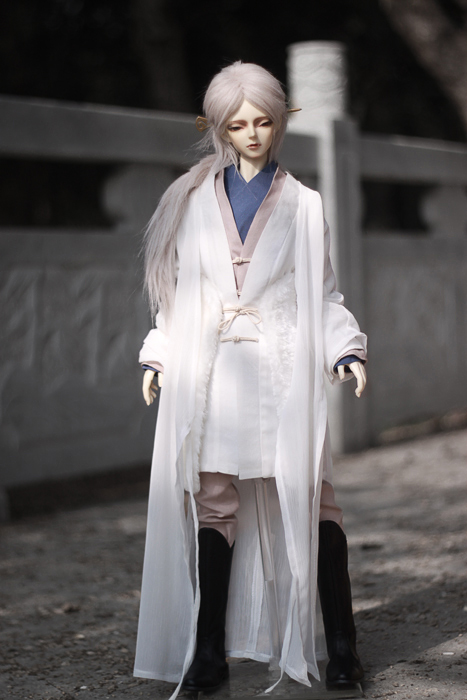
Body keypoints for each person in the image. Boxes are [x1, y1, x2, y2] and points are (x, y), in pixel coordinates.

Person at [134, 61, 367, 697]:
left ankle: (342, 647)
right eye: (238, 125)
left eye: (264, 121)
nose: (254, 134)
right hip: (214, 371)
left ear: (280, 122)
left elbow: (323, 291)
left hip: (284, 363)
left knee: (314, 494)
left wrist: (344, 348)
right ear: (219, 128)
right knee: (214, 501)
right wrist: (159, 354)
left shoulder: (303, 204)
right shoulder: (191, 202)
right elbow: (180, 295)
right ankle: (209, 653)